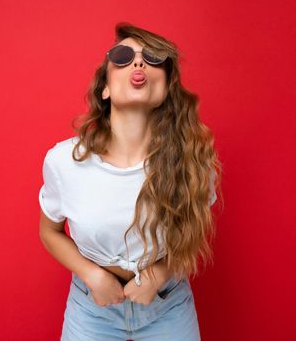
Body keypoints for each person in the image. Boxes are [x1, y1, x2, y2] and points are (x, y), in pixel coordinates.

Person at [38, 22, 222, 340]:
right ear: (105, 89)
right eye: (123, 56)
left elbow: (194, 228)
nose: (138, 63)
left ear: (166, 87)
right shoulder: (64, 162)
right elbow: (49, 231)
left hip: (167, 304)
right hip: (91, 309)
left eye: (152, 58)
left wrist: (159, 274)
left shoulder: (193, 159)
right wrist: (92, 275)